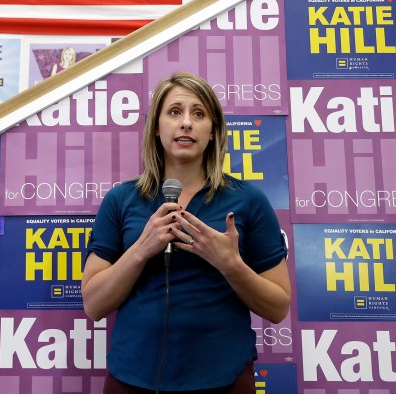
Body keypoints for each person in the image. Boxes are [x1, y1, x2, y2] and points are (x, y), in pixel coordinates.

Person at [81, 72, 291, 393]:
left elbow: (278, 308)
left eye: (199, 114)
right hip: (133, 377)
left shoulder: (248, 200)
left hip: (224, 378)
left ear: (213, 131)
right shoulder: (121, 199)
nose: (186, 123)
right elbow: (94, 305)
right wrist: (141, 250)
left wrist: (230, 265)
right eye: (175, 112)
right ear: (156, 127)